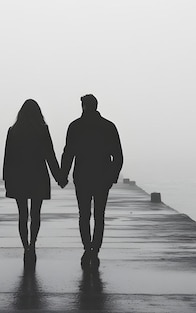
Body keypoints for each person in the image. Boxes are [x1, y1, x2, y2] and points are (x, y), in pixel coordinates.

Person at [60, 94, 123, 269]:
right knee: (99, 216)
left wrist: (62, 176)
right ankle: (95, 249)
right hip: (102, 177)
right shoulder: (108, 126)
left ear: (83, 106)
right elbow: (118, 156)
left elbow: (68, 153)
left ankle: (87, 248)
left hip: (82, 176)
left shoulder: (75, 126)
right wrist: (112, 177)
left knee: (84, 215)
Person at [3, 99, 65, 266]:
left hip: (18, 177)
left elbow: (8, 158)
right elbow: (50, 155)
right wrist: (60, 177)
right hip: (38, 176)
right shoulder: (42, 130)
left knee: (22, 214)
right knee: (35, 214)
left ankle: (25, 248)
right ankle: (33, 245)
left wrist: (6, 179)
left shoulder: (13, 131)